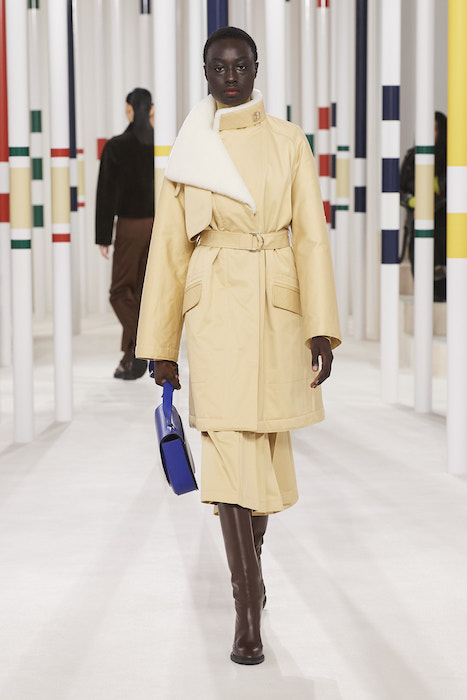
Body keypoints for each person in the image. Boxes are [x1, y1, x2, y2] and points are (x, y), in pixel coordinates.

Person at [136, 27, 341, 665]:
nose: (230, 77)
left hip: (277, 303)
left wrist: (320, 325)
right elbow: (169, 248)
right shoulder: (191, 149)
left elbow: (311, 236)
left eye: (241, 65)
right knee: (226, 448)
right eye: (219, 67)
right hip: (216, 305)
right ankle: (246, 609)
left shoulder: (288, 141)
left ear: (256, 68)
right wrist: (161, 343)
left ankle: (250, 571)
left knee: (266, 449)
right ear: (206, 73)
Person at [95, 87, 155, 379]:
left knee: (120, 292)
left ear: (129, 110)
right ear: (152, 110)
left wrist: (103, 236)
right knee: (140, 292)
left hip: (130, 225)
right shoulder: (162, 145)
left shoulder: (117, 146)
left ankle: (145, 343)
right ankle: (129, 360)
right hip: (157, 225)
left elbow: (106, 193)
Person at [399, 111, 447, 302]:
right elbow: (400, 188)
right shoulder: (412, 157)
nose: (430, 133)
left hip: (443, 222)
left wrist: (435, 191)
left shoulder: (451, 158)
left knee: (440, 267)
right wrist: (412, 200)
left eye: (435, 128)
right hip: (417, 219)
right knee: (419, 262)